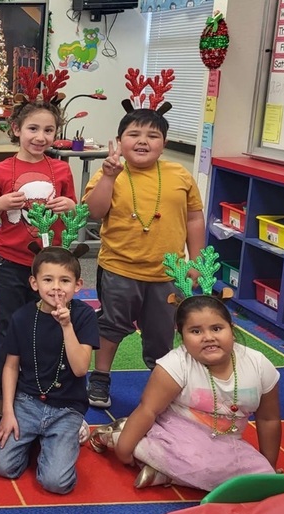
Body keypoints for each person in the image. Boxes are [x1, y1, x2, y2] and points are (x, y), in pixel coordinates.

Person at [90, 294, 280, 490]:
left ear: (231, 329)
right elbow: (148, 410)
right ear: (182, 336)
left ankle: (165, 472)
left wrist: (270, 468)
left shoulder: (258, 364)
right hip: (174, 434)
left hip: (226, 442)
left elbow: (268, 419)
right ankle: (118, 436)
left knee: (257, 475)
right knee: (200, 465)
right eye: (196, 331)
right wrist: (123, 451)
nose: (208, 337)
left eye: (216, 328)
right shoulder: (175, 365)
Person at [84, 109, 205, 408]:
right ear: (119, 141)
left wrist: (196, 260)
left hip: (168, 273)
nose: (143, 141)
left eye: (153, 136)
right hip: (119, 268)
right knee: (112, 325)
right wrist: (110, 177)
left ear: (164, 143)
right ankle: (100, 377)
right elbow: (94, 213)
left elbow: (193, 219)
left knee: (162, 332)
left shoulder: (179, 174)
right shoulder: (109, 173)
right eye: (134, 134)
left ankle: (161, 380)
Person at [0, 100, 77, 417]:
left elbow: (75, 209)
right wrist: (1, 203)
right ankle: (2, 389)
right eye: (33, 128)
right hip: (10, 263)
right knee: (8, 326)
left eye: (49, 130)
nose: (40, 136)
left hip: (50, 265)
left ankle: (39, 388)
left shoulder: (60, 169)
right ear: (16, 129)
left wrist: (68, 206)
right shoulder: (0, 170)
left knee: (49, 325)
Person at [0, 247, 99, 494]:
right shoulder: (22, 317)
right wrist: (7, 412)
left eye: (65, 281)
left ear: (78, 285)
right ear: (34, 283)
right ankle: (41, 438)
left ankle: (67, 433)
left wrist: (66, 325)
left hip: (67, 407)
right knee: (1, 465)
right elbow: (11, 366)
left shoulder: (84, 316)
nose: (56, 288)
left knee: (56, 483)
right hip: (27, 402)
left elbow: (80, 369)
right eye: (48, 280)